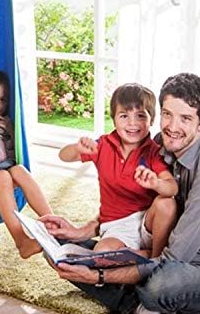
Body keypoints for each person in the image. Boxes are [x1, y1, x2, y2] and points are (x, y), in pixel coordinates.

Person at [41, 73, 200, 314]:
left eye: (185, 118)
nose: (172, 127)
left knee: (159, 286)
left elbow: (173, 259)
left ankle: (134, 299)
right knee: (55, 249)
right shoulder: (162, 143)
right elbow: (129, 206)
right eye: (167, 114)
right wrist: (81, 231)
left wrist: (99, 276)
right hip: (162, 246)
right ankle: (144, 306)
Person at [59, 83, 178, 257]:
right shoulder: (103, 145)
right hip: (117, 225)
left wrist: (156, 183)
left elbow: (172, 188)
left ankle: (156, 258)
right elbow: (63, 156)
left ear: (151, 120)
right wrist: (77, 148)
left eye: (140, 115)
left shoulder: (154, 151)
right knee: (102, 252)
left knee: (167, 203)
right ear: (113, 119)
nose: (132, 123)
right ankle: (142, 254)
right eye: (124, 116)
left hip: (148, 223)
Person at [0, 71, 53, 259]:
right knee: (4, 177)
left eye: (2, 100)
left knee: (19, 170)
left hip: (6, 167)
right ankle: (22, 241)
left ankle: (52, 223)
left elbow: (13, 151)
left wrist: (9, 131)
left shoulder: (4, 123)